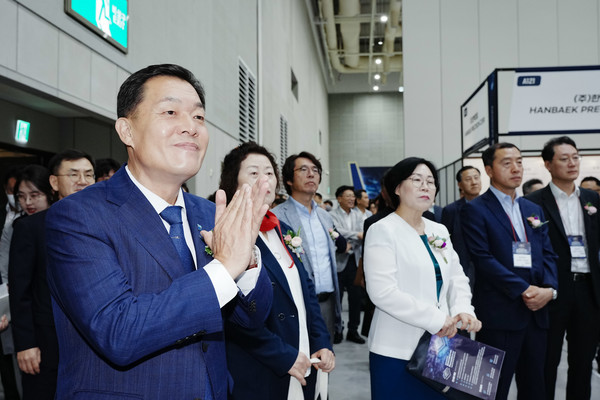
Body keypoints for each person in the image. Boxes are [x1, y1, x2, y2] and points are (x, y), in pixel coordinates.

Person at [45, 64, 273, 399]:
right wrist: (224, 268)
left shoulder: (210, 214)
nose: (190, 127)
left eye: (198, 117)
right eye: (170, 112)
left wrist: (248, 263)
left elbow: (249, 321)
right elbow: (119, 333)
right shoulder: (78, 216)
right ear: (127, 131)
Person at [220, 142, 334, 400]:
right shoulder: (226, 232)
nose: (264, 180)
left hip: (304, 356)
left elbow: (306, 292)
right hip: (264, 366)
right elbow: (231, 314)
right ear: (233, 181)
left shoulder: (280, 228)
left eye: (269, 172)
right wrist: (283, 356)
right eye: (253, 173)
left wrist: (322, 343)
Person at [364, 157, 480, 400]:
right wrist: (436, 319)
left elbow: (456, 276)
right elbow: (382, 292)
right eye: (416, 180)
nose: (425, 186)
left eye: (430, 181)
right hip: (397, 348)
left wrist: (463, 309)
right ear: (397, 188)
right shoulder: (383, 230)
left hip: (442, 345)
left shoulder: (437, 229)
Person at [461, 143, 558, 400]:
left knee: (535, 387)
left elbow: (548, 252)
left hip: (537, 314)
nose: (516, 168)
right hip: (499, 313)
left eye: (519, 161)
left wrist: (549, 290)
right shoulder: (476, 209)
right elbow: (482, 259)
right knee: (492, 390)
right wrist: (524, 289)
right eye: (507, 163)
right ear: (489, 170)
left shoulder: (532, 209)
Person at [10, 151, 95, 400]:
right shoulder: (31, 228)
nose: (82, 180)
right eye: (73, 174)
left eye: (88, 174)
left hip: (93, 345)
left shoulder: (104, 225)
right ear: (54, 182)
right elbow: (20, 289)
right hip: (46, 346)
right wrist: (26, 343)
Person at [525, 136, 600, 400]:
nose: (572, 163)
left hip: (588, 290)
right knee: (547, 361)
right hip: (553, 291)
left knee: (583, 363)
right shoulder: (533, 202)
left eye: (576, 157)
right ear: (548, 164)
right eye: (564, 158)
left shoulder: (592, 200)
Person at [273, 152, 343, 344]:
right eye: (303, 169)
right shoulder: (276, 217)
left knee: (324, 364)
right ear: (288, 179)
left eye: (315, 170)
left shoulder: (325, 217)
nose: (311, 174)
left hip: (327, 303)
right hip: (294, 305)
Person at [330, 185, 365, 344]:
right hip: (339, 261)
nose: (352, 199)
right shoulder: (331, 215)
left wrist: (352, 240)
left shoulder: (358, 215)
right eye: (348, 196)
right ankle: (338, 329)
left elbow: (363, 231)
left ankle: (353, 330)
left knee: (356, 298)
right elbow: (338, 231)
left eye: (353, 196)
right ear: (339, 198)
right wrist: (356, 235)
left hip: (355, 260)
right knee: (337, 298)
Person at [441, 165, 481, 286]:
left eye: (476, 177)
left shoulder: (492, 207)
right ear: (460, 185)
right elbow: (445, 241)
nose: (474, 182)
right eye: (468, 179)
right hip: (463, 265)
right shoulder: (451, 210)